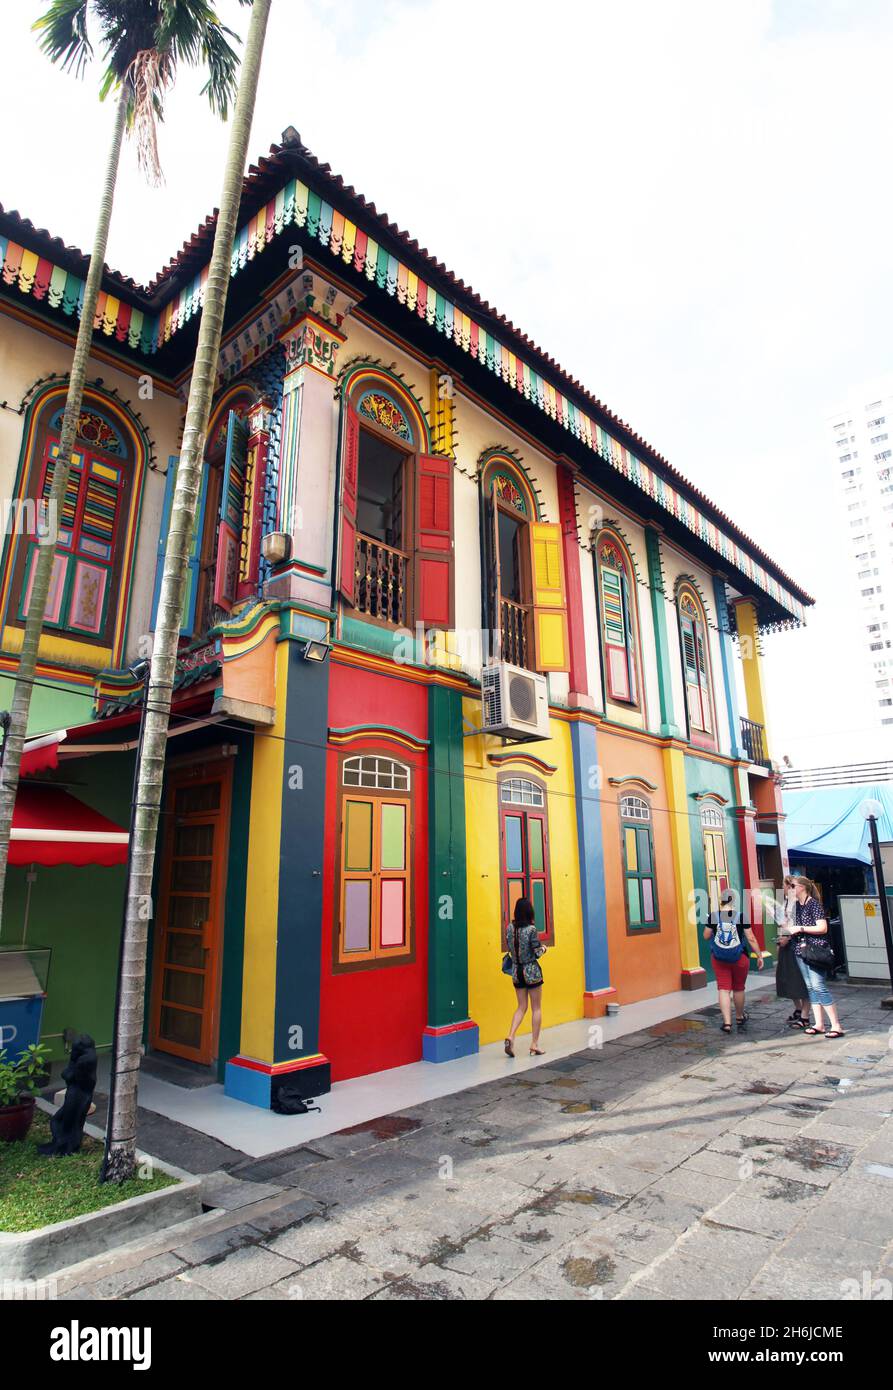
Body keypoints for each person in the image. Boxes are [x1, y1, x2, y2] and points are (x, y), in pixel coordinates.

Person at [789, 876, 845, 1037]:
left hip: (815, 950)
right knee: (811, 987)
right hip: (801, 950)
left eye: (793, 885)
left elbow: (822, 927)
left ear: (803, 887)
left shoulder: (813, 904)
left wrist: (800, 927)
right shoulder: (796, 906)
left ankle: (836, 1025)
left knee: (819, 985)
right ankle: (819, 1024)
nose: (791, 888)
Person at [703, 888, 764, 1034]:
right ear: (733, 901)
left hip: (719, 958)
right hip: (739, 957)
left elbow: (706, 936)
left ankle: (727, 1023)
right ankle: (739, 1017)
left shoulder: (713, 916)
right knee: (738, 988)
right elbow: (750, 938)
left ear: (720, 900)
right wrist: (759, 955)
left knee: (723, 989)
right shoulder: (741, 916)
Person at [503, 896, 546, 1058]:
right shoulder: (531, 930)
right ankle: (534, 1044)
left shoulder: (509, 928)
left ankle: (511, 1036)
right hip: (531, 971)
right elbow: (536, 952)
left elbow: (510, 947)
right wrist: (543, 949)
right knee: (536, 1008)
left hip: (516, 971)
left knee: (521, 1007)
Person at [777, 875, 810, 1028]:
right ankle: (798, 1009)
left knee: (801, 981)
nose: (783, 888)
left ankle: (805, 1015)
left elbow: (795, 925)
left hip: (796, 946)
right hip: (785, 946)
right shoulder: (785, 903)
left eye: (785, 886)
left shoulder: (798, 904)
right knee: (787, 979)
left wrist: (787, 938)